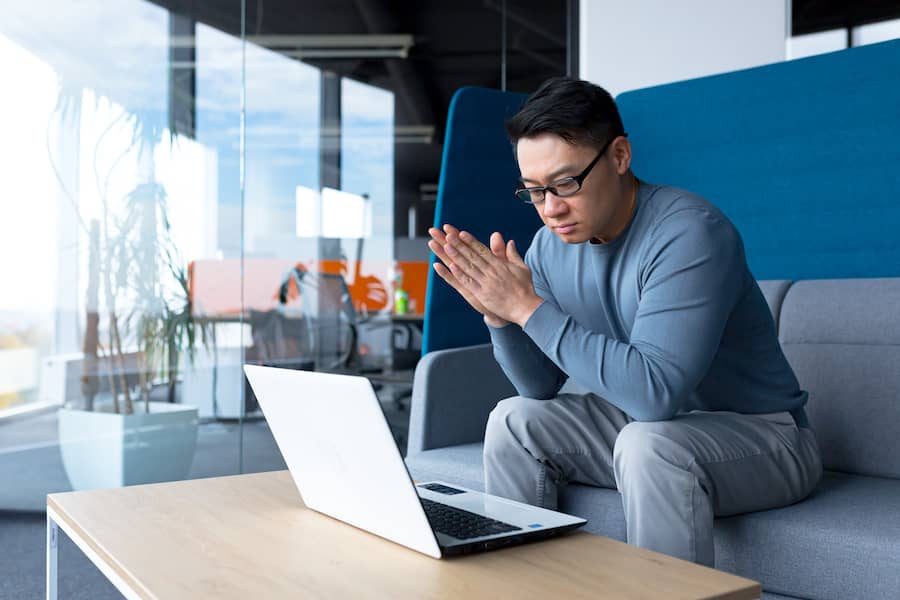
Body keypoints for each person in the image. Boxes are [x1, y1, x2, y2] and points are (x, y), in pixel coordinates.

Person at [426, 77, 822, 567]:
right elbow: (541, 386)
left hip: (767, 438)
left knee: (649, 443)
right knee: (514, 419)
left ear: (619, 156)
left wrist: (528, 308)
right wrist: (501, 317)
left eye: (566, 183)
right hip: (651, 427)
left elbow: (654, 395)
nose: (551, 209)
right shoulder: (551, 246)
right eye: (534, 191)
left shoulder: (689, 234)